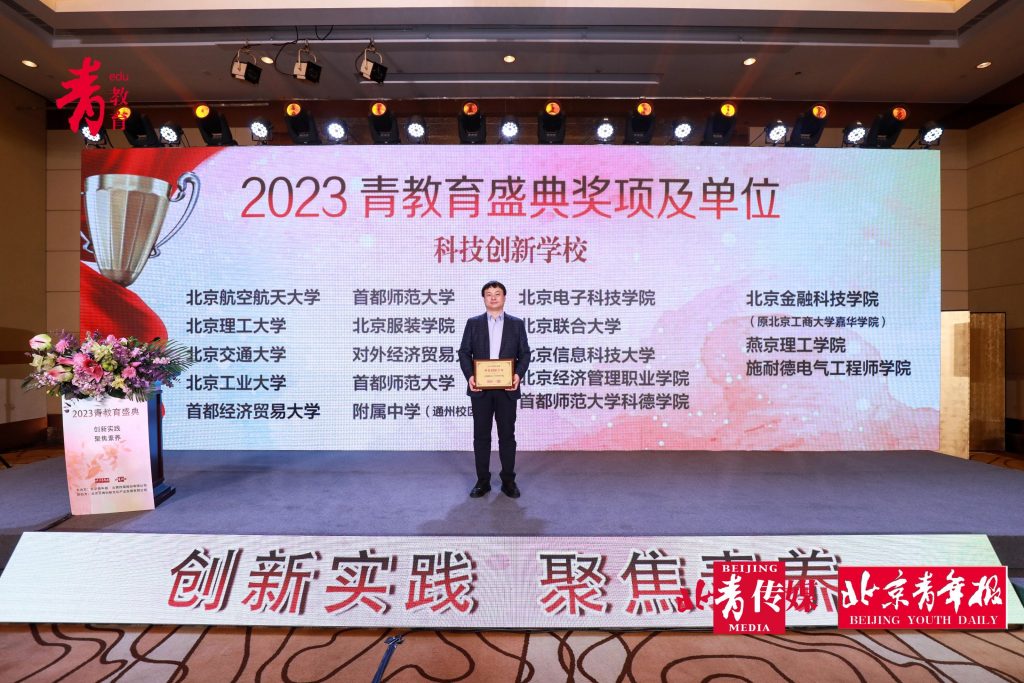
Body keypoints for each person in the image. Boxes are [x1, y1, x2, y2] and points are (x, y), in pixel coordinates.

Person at [458, 280, 531, 498]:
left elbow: (525, 354)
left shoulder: (516, 324)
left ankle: (508, 481)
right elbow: (464, 352)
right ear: (484, 298)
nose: (493, 297)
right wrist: (470, 376)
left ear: (504, 297)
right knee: (481, 436)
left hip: (507, 389)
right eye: (488, 294)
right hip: (480, 389)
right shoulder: (473, 323)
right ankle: (483, 481)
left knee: (507, 435)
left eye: (497, 293)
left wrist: (518, 375)